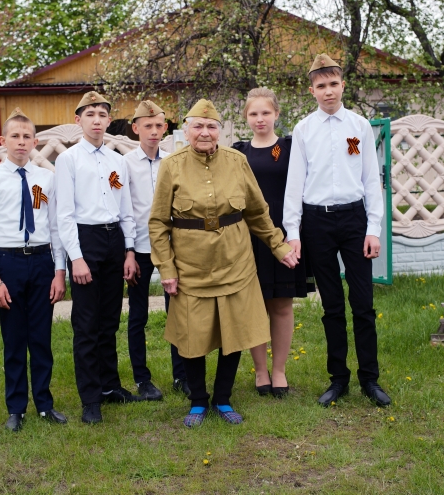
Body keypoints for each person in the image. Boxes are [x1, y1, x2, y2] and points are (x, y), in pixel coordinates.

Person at [149, 99, 298, 427]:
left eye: (211, 127)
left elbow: (257, 212)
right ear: (186, 130)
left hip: (236, 261)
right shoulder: (171, 165)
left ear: (220, 131)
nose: (204, 132)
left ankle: (223, 398)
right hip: (191, 266)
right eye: (198, 126)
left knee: (234, 330)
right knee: (192, 334)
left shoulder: (237, 161)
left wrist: (279, 246)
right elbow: (158, 223)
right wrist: (167, 268)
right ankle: (198, 401)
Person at [283, 54, 391, 408]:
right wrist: (293, 232)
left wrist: (373, 229)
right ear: (312, 91)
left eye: (333, 84)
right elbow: (295, 183)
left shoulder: (359, 126)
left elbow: (371, 181)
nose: (328, 91)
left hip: (354, 221)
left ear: (343, 85)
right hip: (317, 224)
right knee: (331, 306)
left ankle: (370, 379)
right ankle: (338, 379)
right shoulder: (303, 130)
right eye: (321, 86)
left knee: (363, 304)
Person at [0, 108, 68, 431]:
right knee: (14, 339)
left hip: (41, 261)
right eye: (14, 136)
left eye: (27, 136)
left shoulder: (46, 179)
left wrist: (59, 271)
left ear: (35, 142)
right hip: (9, 262)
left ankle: (44, 403)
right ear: (2, 140)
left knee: (41, 338)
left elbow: (55, 227)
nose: (21, 142)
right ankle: (16, 408)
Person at [55, 91, 141, 425]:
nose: (96, 120)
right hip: (86, 239)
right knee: (87, 324)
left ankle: (109, 386)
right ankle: (91, 398)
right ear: (78, 120)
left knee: (109, 320)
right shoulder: (69, 160)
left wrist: (129, 250)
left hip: (113, 239)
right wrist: (76, 258)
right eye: (90, 114)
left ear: (109, 120)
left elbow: (125, 209)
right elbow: (64, 214)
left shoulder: (117, 161)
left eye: (102, 114)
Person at [231, 88, 314, 398]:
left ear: (276, 114)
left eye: (266, 112)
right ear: (246, 117)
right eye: (253, 113)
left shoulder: (291, 148)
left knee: (281, 304)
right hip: (249, 238)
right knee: (254, 306)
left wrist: (294, 233)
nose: (260, 119)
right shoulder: (238, 152)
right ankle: (260, 371)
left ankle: (279, 370)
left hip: (285, 233)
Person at [123, 100, 189, 400]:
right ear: (136, 128)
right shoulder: (125, 164)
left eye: (158, 125)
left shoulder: (173, 162)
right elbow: (123, 209)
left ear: (165, 128)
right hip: (138, 247)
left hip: (170, 248)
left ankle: (182, 375)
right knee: (138, 316)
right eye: (147, 125)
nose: (153, 131)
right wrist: (128, 251)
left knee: (177, 311)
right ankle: (142, 379)